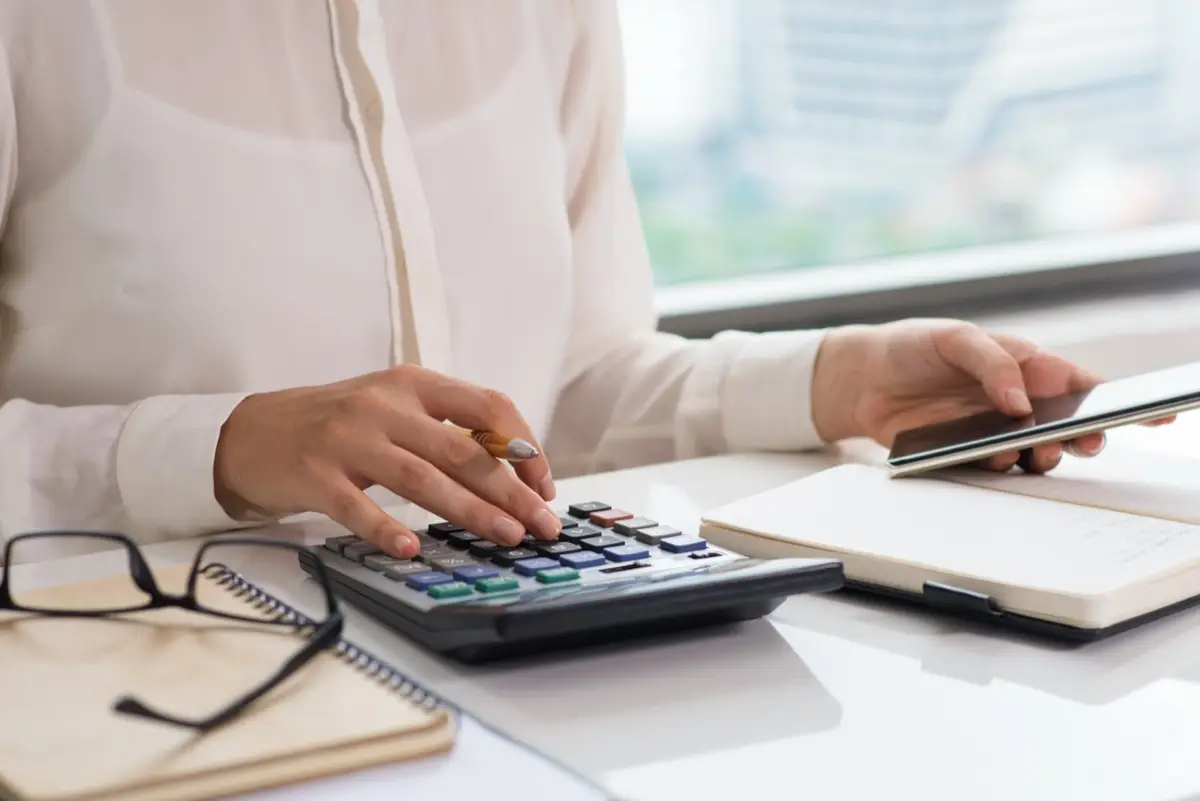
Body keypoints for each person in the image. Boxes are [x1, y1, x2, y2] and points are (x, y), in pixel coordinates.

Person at [0, 1, 1120, 562]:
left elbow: (562, 391)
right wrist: (223, 448)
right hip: (141, 694)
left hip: (516, 691)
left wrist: (838, 380)